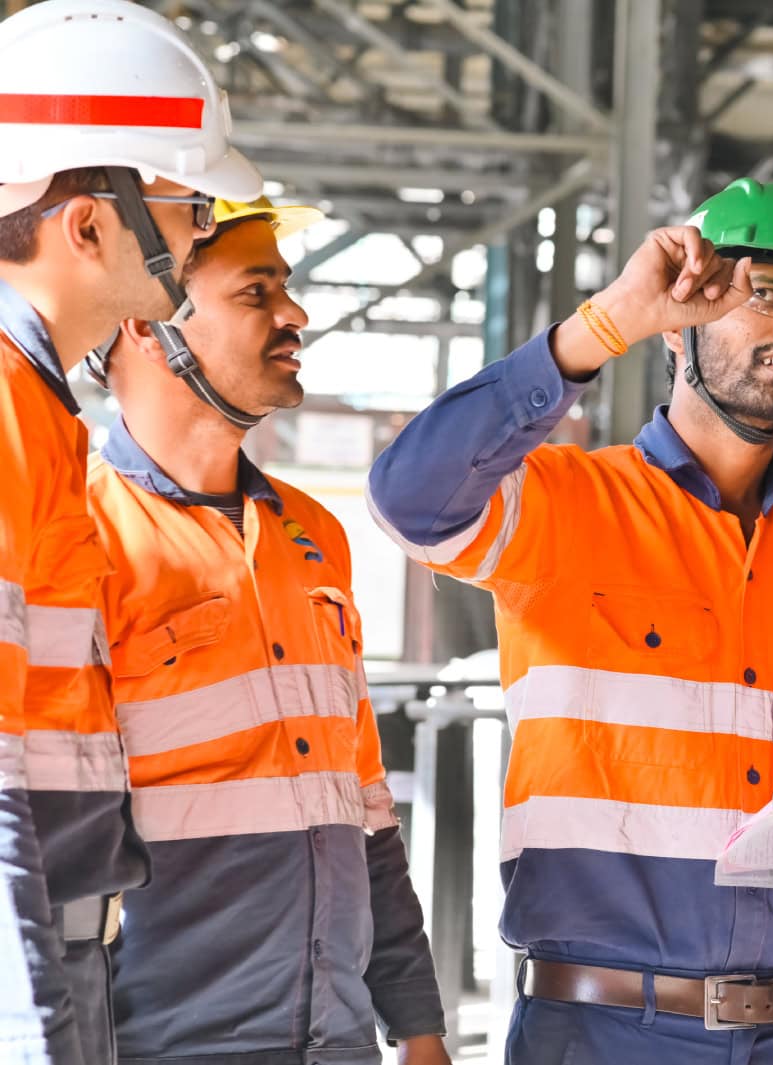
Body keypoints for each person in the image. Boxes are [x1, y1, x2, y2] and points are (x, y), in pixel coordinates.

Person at [367, 177, 773, 1064]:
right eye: (767, 293)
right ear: (678, 324)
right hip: (604, 1034)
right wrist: (602, 323)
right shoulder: (565, 504)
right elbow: (407, 499)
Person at [84, 197, 450, 1065]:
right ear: (146, 322)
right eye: (257, 292)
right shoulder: (80, 542)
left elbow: (363, 806)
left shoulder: (313, 535)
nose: (296, 313)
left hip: (336, 1043)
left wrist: (420, 1027)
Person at [0, 3, 262, 1062]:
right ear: (87, 224)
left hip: (65, 947)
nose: (199, 233)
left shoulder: (37, 408)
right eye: (187, 203)